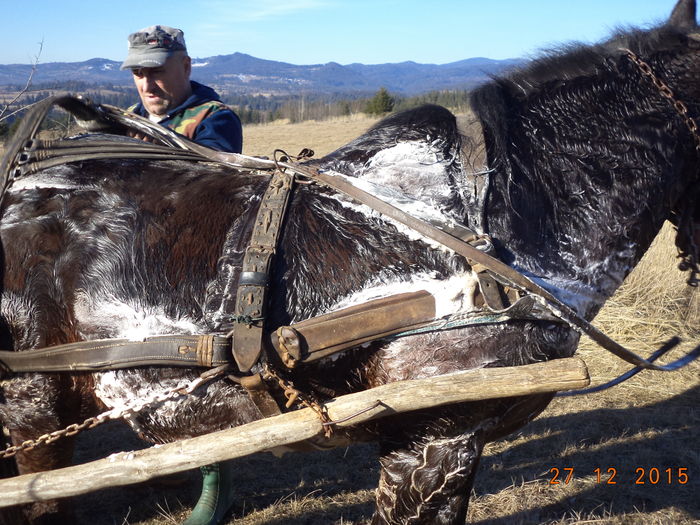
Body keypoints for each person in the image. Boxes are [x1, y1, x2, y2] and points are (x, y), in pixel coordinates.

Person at [120, 25, 242, 153]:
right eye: (138, 73)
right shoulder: (129, 116)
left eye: (157, 72)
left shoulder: (214, 118)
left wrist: (159, 148)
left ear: (185, 67)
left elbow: (216, 168)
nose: (147, 87)